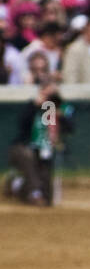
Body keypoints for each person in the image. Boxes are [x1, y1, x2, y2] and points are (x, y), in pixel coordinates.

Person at [7, 76, 72, 206]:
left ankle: (17, 185)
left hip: (45, 151)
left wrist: (60, 116)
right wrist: (36, 105)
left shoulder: (61, 108)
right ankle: (34, 193)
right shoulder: (31, 106)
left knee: (47, 196)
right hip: (23, 147)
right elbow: (22, 125)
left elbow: (70, 128)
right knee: (28, 156)